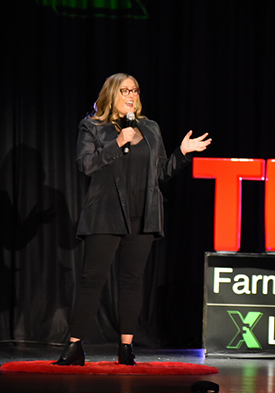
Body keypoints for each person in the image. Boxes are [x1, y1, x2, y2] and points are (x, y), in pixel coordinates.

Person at [53, 73, 211, 366]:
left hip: (144, 215)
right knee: (92, 280)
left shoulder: (150, 128)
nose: (131, 95)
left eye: (135, 90)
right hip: (105, 214)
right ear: (111, 94)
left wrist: (182, 154)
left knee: (132, 281)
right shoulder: (93, 127)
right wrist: (118, 142)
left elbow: (160, 174)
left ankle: (126, 348)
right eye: (125, 90)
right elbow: (86, 165)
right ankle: (75, 346)